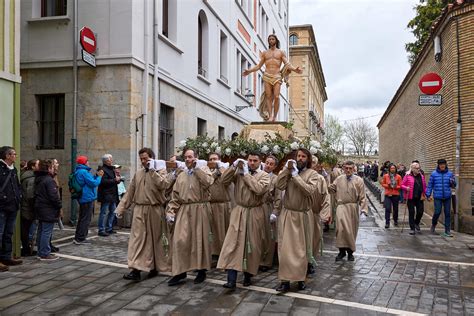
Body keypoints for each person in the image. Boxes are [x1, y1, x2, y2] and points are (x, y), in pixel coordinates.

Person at [115, 148, 173, 281]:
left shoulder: (161, 171)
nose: (143, 161)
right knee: (137, 239)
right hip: (140, 210)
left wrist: (153, 171)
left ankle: (154, 266)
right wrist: (120, 208)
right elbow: (130, 192)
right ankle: (135, 269)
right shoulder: (138, 174)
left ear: (152, 158)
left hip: (155, 210)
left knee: (155, 240)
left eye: (145, 158)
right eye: (141, 159)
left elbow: (164, 185)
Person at [217, 152, 270, 289]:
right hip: (239, 211)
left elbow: (258, 190)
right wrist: (233, 166)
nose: (252, 163)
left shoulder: (264, 176)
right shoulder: (239, 173)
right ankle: (231, 278)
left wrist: (246, 175)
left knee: (252, 244)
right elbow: (223, 181)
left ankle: (248, 274)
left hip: (254, 212)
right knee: (232, 243)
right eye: (250, 160)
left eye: (255, 160)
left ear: (260, 162)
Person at [166, 149, 214, 286]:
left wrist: (197, 168)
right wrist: (171, 211)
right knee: (180, 240)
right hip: (184, 210)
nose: (188, 159)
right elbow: (175, 196)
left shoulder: (203, 169)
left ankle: (201, 270)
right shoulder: (181, 175)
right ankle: (180, 272)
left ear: (196, 158)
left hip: (201, 208)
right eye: (186, 157)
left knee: (200, 240)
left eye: (190, 157)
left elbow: (208, 182)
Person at [274, 149, 319, 292]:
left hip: (302, 216)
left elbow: (309, 190)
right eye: (298, 156)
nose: (300, 159)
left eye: (303, 156)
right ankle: (285, 281)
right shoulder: (289, 172)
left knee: (301, 250)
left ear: (308, 159)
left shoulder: (313, 174)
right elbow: (279, 185)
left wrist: (296, 176)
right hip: (288, 214)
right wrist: (287, 171)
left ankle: (300, 279)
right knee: (285, 249)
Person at [243, 34, 302, 122]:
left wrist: (294, 69)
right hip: (267, 76)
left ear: (276, 41)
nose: (271, 41)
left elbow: (287, 64)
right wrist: (249, 71)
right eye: (269, 39)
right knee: (269, 96)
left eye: (272, 39)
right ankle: (270, 116)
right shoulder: (265, 53)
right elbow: (259, 66)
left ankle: (275, 116)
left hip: (277, 76)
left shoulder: (280, 52)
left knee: (277, 96)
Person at [328, 161, 368, 262]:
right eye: (346, 168)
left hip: (353, 207)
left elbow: (363, 196)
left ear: (354, 168)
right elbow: (331, 189)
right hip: (341, 206)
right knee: (340, 229)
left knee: (351, 230)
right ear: (344, 168)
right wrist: (326, 177)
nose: (348, 170)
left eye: (350, 168)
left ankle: (350, 252)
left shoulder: (359, 180)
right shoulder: (339, 179)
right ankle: (341, 251)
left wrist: (363, 210)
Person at [34, 159, 62, 261]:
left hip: (41, 207)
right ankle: (45, 253)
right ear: (49, 168)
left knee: (41, 230)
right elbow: (53, 196)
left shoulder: (39, 178)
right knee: (46, 231)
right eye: (52, 167)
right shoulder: (49, 180)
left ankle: (41, 251)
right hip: (48, 208)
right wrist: (59, 205)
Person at [0, 146, 22, 272]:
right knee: (0, 234)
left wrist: (19, 196)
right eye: (14, 154)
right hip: (2, 206)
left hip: (13, 206)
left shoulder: (13, 169)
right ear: (7, 156)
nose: (15, 156)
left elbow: (17, 186)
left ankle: (6, 257)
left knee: (9, 233)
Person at [73, 155, 104, 245]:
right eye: (87, 161)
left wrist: (95, 176)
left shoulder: (78, 171)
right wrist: (99, 177)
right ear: (84, 162)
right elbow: (94, 183)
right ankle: (81, 238)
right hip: (87, 198)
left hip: (83, 197)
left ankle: (78, 237)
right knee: (86, 219)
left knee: (82, 218)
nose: (88, 162)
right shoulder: (84, 172)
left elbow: (89, 181)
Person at [208, 153, 231, 258]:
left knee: (222, 230)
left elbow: (228, 180)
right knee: (212, 230)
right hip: (210, 204)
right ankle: (213, 251)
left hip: (223, 204)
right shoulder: (207, 172)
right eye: (211, 159)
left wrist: (220, 170)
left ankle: (224, 253)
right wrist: (215, 173)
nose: (213, 161)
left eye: (215, 159)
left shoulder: (225, 170)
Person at [310, 156, 331, 272]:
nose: (311, 164)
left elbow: (325, 198)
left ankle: (310, 260)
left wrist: (324, 215)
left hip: (314, 214)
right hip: (301, 214)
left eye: (314, 162)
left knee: (314, 239)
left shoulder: (320, 179)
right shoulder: (298, 176)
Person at [260, 155, 281, 272]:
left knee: (268, 235)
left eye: (271, 164)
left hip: (268, 207)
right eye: (267, 163)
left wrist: (275, 212)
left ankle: (266, 261)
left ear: (274, 166)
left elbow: (278, 197)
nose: (268, 165)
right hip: (257, 207)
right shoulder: (258, 174)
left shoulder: (275, 179)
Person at [426, 159, 456, 237]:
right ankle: (433, 224)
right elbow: (430, 186)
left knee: (447, 213)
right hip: (437, 197)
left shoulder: (450, 174)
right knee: (437, 212)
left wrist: (453, 182)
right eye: (440, 164)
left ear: (446, 165)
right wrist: (428, 195)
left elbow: (454, 185)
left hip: (447, 196)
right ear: (438, 165)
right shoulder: (434, 174)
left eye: (443, 164)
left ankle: (447, 230)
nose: (442, 166)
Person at [97, 154, 120, 237]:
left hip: (112, 194)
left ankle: (109, 228)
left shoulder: (112, 169)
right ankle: (101, 229)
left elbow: (112, 181)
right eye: (110, 159)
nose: (111, 161)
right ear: (106, 161)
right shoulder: (102, 170)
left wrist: (118, 180)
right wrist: (114, 180)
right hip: (106, 194)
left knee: (113, 212)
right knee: (103, 212)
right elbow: (102, 182)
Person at [20, 159, 39, 256]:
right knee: (26, 229)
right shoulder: (31, 178)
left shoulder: (26, 175)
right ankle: (26, 249)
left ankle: (26, 248)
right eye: (37, 164)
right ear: (32, 166)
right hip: (28, 207)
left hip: (25, 205)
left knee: (25, 229)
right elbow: (30, 195)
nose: (39, 166)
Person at [401, 162, 426, 235]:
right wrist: (406, 188)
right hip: (410, 197)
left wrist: (427, 195)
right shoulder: (407, 175)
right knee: (412, 212)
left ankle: (416, 223)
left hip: (419, 197)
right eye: (417, 168)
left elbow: (424, 186)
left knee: (420, 211)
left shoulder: (421, 176)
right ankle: (412, 228)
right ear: (412, 168)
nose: (418, 169)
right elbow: (402, 185)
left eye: (419, 168)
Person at [381, 163, 402, 228]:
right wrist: (388, 185)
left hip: (395, 194)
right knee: (387, 208)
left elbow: (400, 186)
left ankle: (395, 220)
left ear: (395, 169)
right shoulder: (386, 176)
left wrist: (395, 186)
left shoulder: (398, 176)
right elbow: (383, 184)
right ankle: (387, 222)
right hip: (388, 194)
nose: (393, 169)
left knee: (395, 209)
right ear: (389, 169)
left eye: (394, 168)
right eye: (391, 168)